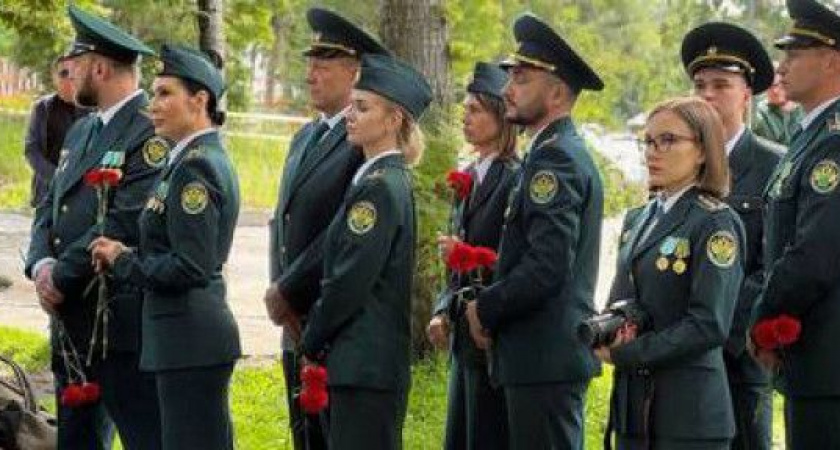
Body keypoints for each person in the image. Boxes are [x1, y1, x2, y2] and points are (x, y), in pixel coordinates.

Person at [89, 43, 240, 450]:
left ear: (200, 100)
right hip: (181, 340)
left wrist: (123, 260)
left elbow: (191, 265)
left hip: (190, 340)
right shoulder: (186, 158)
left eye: (165, 93)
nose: (152, 105)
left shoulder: (197, 164)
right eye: (153, 93)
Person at [464, 12, 605, 449]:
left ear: (558, 92)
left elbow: (547, 266)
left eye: (522, 79)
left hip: (545, 358)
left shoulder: (556, 159)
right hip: (537, 358)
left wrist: (485, 308)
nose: (508, 89)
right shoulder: (547, 152)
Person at [24, 5, 163, 449]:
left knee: (143, 433)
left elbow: (124, 218)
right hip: (70, 319)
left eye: (74, 66)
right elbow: (51, 204)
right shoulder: (83, 130)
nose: (67, 74)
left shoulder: (148, 131)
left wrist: (60, 276)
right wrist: (41, 263)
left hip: (116, 319)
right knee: (77, 439)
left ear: (98, 67)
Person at [261, 9, 389, 449]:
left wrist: (290, 290)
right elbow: (287, 222)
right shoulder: (306, 138)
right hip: (294, 319)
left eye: (324, 64)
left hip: (328, 316)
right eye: (309, 62)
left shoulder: (360, 144)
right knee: (305, 437)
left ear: (355, 72)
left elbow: (340, 231)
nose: (310, 73)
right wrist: (280, 291)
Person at [597, 96, 745, 450]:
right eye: (648, 141)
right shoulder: (640, 218)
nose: (653, 152)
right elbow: (624, 297)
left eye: (668, 140)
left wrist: (630, 353)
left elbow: (708, 324)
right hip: (635, 407)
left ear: (703, 151)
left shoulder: (714, 222)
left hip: (687, 414)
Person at [300, 53, 432, 450]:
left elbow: (349, 279)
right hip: (362, 364)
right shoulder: (376, 177)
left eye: (362, 107)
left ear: (394, 120)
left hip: (365, 365)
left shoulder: (379, 185)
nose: (350, 116)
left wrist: (311, 337)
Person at [681, 22, 782, 450]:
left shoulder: (773, 164)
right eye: (699, 84)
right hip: (680, 358)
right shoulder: (680, 163)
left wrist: (719, 324)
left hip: (737, 357)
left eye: (721, 85)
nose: (706, 94)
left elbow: (774, 263)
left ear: (746, 94)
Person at [750, 0, 840, 448]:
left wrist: (761, 315)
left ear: (831, 59)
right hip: (813, 362)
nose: (781, 67)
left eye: (794, 54)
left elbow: (814, 253)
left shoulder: (834, 141)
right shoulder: (811, 133)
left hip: (829, 364)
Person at [427, 61, 518, 450]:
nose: (466, 118)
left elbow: (511, 257)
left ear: (501, 116)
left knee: (486, 431)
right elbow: (455, 252)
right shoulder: (470, 173)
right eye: (464, 109)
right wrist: (442, 308)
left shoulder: (513, 176)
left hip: (490, 327)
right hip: (463, 326)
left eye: (476, 110)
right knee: (460, 432)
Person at [24, 55, 88, 208]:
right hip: (47, 191)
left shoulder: (93, 109)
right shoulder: (42, 108)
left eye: (73, 73)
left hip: (80, 192)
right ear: (54, 77)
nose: (69, 78)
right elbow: (31, 150)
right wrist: (56, 177)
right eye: (64, 73)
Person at [753, 70, 804, 146]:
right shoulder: (761, 114)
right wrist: (786, 114)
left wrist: (793, 111)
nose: (775, 91)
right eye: (769, 87)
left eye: (776, 85)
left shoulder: (803, 107)